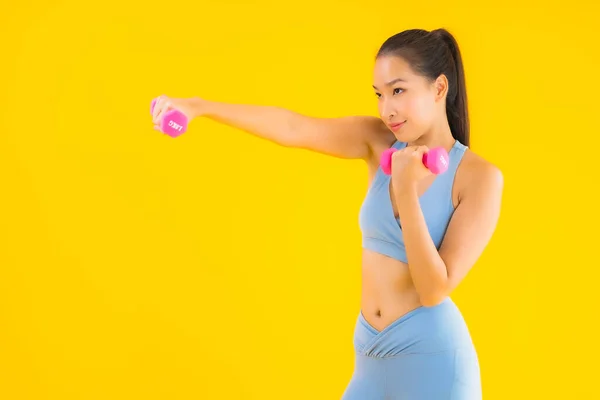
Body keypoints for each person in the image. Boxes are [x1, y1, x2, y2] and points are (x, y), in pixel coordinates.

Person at [151, 27, 503, 400]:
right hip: (370, 359)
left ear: (438, 88)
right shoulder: (378, 140)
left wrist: (404, 190)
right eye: (379, 95)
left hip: (432, 364)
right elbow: (293, 127)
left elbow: (433, 289)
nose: (387, 109)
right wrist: (200, 106)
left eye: (398, 91)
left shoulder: (479, 178)